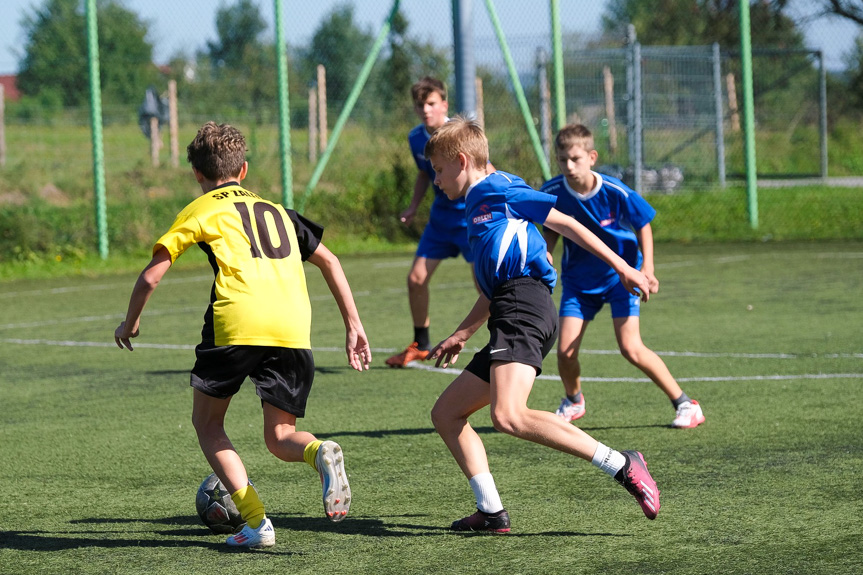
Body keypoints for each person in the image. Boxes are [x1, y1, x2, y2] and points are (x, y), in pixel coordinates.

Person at [113, 122, 371, 548]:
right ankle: (318, 451)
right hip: (292, 327)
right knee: (280, 436)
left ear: (197, 174)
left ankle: (256, 524)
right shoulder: (279, 211)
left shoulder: (201, 209)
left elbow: (151, 277)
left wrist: (131, 321)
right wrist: (353, 324)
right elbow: (330, 261)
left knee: (208, 422)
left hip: (236, 323)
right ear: (244, 169)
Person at [425, 117, 660, 533]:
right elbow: (497, 282)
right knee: (447, 413)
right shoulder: (480, 199)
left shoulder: (496, 189)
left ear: (462, 161)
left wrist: (626, 268)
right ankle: (491, 511)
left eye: (439, 170)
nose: (436, 181)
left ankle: (622, 464)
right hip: (510, 306)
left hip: (523, 306)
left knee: (509, 415)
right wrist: (463, 332)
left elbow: (565, 223)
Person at [542, 124, 705, 429]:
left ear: (592, 157)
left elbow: (643, 223)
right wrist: (547, 252)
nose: (568, 166)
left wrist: (648, 269)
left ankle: (686, 404)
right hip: (578, 283)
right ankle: (574, 400)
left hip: (622, 278)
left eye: (575, 158)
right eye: (562, 159)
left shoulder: (614, 191)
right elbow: (550, 226)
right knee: (564, 352)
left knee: (630, 348)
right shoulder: (552, 191)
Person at [386, 77, 492, 367]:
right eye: (420, 105)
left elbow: (485, 169)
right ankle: (421, 343)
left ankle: (501, 339)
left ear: (444, 104)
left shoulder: (459, 134)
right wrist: (412, 206)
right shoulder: (415, 138)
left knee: (485, 286)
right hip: (441, 220)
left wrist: (495, 205)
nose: (425, 109)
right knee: (416, 279)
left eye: (431, 103)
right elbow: (424, 173)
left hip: (471, 218)